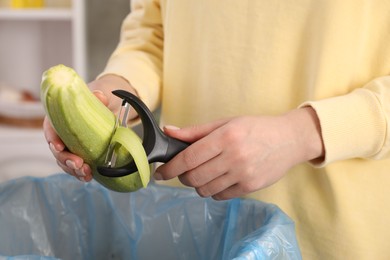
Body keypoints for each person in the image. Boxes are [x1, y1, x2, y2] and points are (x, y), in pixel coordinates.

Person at [44, 0, 390, 259]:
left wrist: (303, 134)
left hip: (332, 237)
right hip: (194, 228)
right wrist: (105, 98)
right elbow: (152, 33)